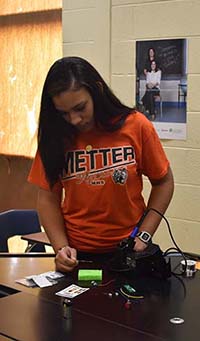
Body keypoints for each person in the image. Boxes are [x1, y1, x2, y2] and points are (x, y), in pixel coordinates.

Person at [28, 56, 174, 273]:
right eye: (64, 113)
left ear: (96, 91)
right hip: (77, 254)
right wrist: (61, 248)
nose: (74, 119)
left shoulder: (136, 126)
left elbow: (164, 183)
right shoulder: (56, 136)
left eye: (80, 108)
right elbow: (48, 197)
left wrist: (144, 235)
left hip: (130, 249)